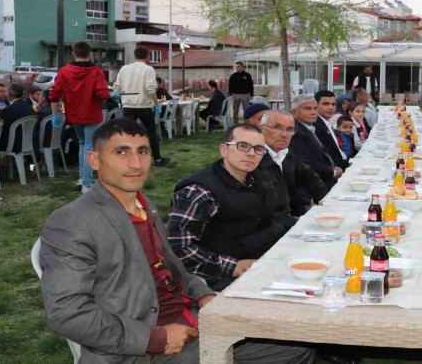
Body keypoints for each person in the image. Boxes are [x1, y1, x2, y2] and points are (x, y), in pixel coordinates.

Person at [39, 119, 216, 363]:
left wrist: (203, 293)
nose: (136, 164)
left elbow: (173, 269)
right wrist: (155, 339)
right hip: (142, 350)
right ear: (94, 160)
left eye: (142, 151)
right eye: (121, 152)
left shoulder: (145, 205)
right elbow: (66, 312)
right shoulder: (71, 222)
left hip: (189, 319)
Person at [169, 124, 289, 290]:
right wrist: (232, 267)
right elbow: (178, 250)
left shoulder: (259, 179)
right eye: (243, 146)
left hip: (263, 258)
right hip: (220, 277)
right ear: (224, 150)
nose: (251, 153)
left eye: (259, 149)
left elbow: (271, 217)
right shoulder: (199, 192)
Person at [49, 41, 115, 192]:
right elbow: (102, 94)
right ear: (89, 53)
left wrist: (55, 115)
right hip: (92, 115)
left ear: (73, 52)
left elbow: (53, 94)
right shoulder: (96, 71)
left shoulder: (64, 71)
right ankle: (86, 183)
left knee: (82, 144)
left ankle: (82, 177)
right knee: (89, 147)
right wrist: (112, 95)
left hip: (74, 115)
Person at [258, 109, 328, 217]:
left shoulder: (286, 153)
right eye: (277, 127)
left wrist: (323, 200)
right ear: (261, 128)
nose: (284, 134)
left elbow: (309, 174)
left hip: (291, 215)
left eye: (289, 129)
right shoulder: (254, 158)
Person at [113, 46, 171, 167]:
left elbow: (116, 88)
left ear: (134, 56)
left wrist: (118, 96)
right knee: (151, 132)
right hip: (144, 106)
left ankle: (124, 159)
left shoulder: (124, 69)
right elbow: (150, 88)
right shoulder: (148, 69)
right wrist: (156, 103)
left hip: (128, 106)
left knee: (127, 134)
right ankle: (157, 159)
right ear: (147, 57)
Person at [289, 95, 343, 190]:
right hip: (314, 186)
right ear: (294, 112)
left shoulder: (309, 127)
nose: (313, 112)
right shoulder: (297, 133)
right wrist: (333, 172)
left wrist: (334, 167)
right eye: (307, 109)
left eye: (315, 108)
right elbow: (306, 163)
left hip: (325, 178)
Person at [313, 90, 348, 169]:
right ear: (316, 105)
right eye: (326, 104)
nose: (330, 108)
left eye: (333, 104)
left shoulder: (326, 122)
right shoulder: (316, 125)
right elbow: (326, 155)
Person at [0, 83, 35, 153]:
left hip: (13, 145)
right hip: (28, 142)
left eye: (6, 91)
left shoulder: (8, 109)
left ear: (9, 93)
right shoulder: (29, 107)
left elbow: (1, 127)